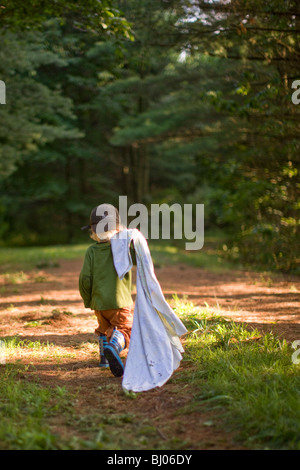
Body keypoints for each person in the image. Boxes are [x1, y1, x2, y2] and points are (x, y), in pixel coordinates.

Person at [79, 203, 135, 378]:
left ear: (93, 232)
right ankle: (114, 347)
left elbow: (85, 279)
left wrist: (89, 300)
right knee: (125, 329)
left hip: (99, 303)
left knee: (104, 328)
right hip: (120, 302)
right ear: (118, 228)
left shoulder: (91, 252)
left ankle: (104, 359)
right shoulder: (124, 248)